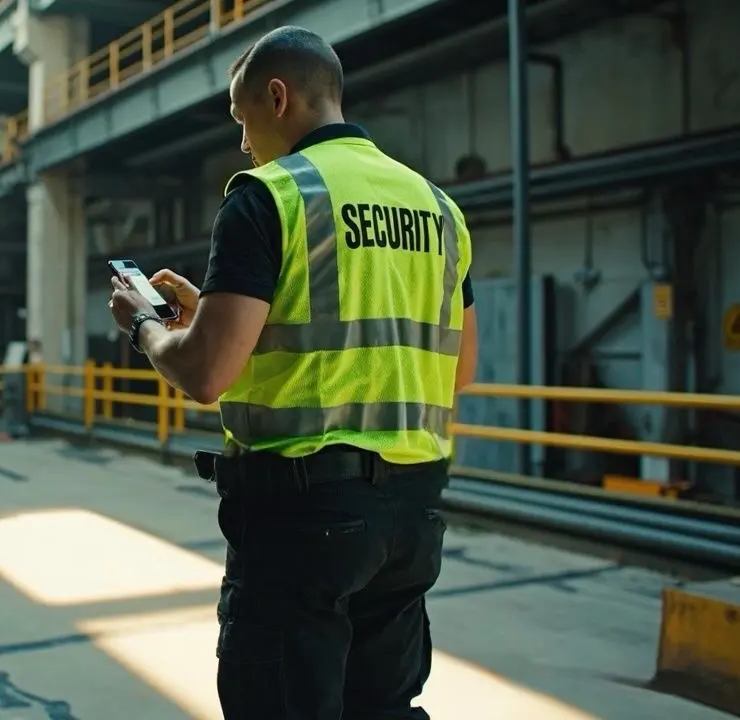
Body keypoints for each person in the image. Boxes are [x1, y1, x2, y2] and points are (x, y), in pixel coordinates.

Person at [107, 25, 479, 720]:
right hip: (412, 520)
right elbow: (456, 370)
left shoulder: (269, 196)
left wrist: (144, 325)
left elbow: (207, 374)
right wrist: (216, 314)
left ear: (276, 98)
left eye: (242, 119)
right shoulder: (438, 208)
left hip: (303, 521)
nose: (243, 143)